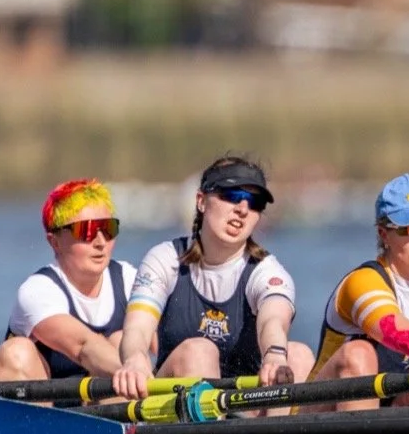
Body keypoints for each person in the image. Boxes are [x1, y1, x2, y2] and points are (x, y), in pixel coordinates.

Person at [114, 155, 313, 397]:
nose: (242, 209)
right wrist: (135, 360)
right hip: (176, 400)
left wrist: (274, 355)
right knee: (200, 351)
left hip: (246, 403)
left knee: (299, 356)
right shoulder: (165, 259)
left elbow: (273, 321)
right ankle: (203, 432)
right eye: (231, 196)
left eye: (254, 202)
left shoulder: (268, 272)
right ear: (201, 201)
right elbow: (137, 330)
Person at [307, 173, 409, 411]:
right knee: (359, 353)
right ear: (384, 234)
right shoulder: (362, 282)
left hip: (397, 409)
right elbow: (398, 332)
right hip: (319, 414)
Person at [0, 178, 136, 383]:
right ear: (55, 242)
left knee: (124, 342)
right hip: (42, 408)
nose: (100, 242)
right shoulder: (37, 291)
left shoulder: (129, 280)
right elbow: (83, 347)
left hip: (101, 406)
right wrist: (142, 377)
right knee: (16, 352)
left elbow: (161, 343)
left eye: (108, 228)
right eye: (88, 231)